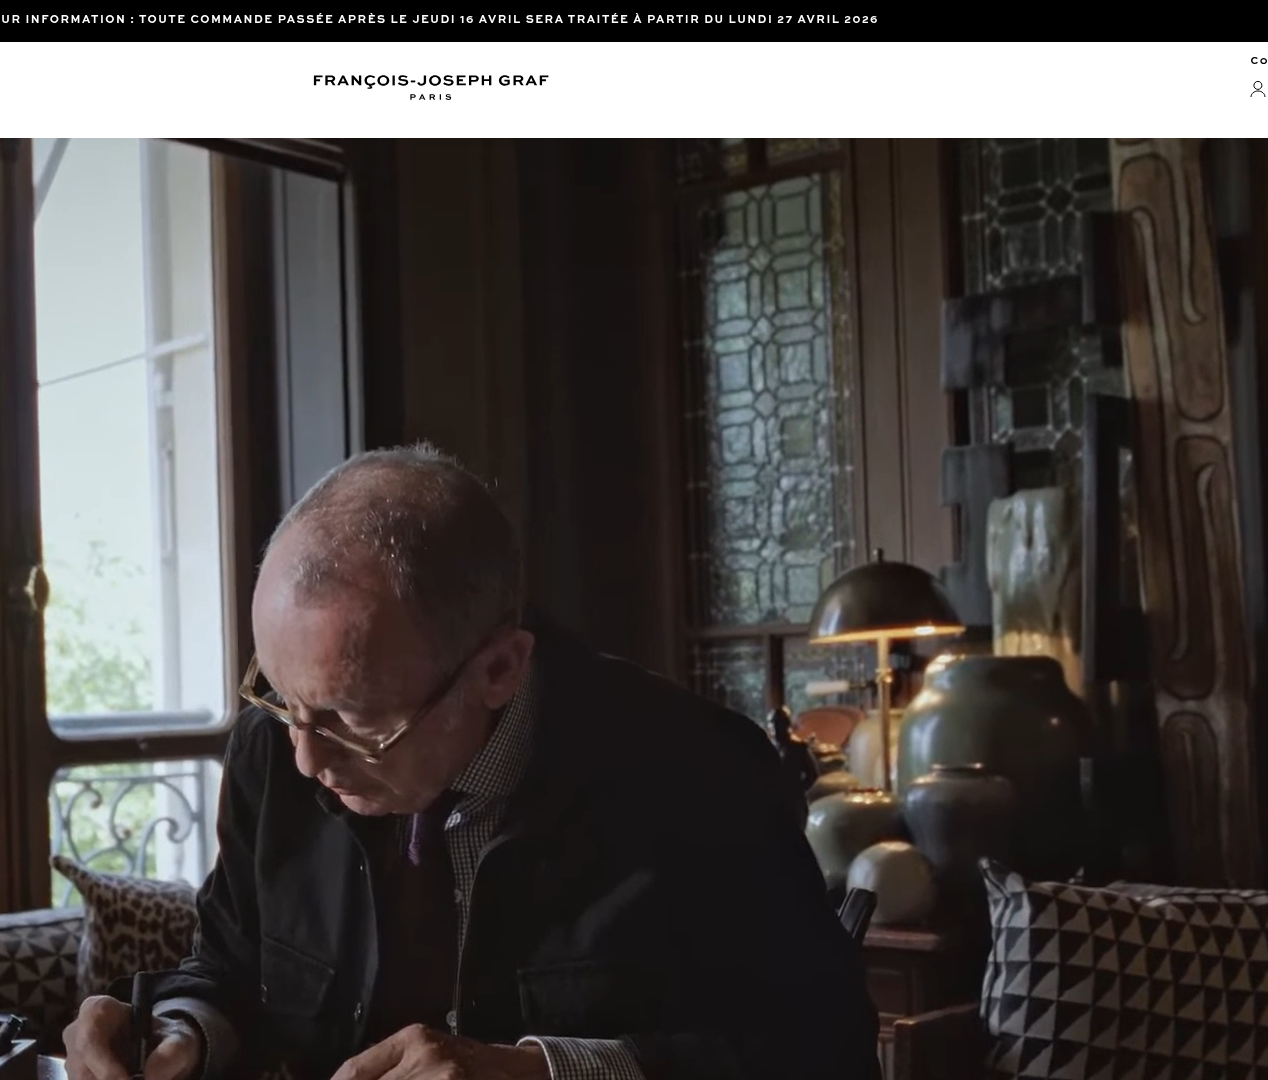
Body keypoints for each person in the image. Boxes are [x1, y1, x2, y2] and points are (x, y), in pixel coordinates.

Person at [65, 444, 879, 1080]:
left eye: (355, 720)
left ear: (498, 669)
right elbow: (230, 968)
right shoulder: (273, 750)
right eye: (279, 696)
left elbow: (824, 1050)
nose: (307, 759)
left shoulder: (697, 772)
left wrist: (542, 1071)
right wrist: (179, 1031)